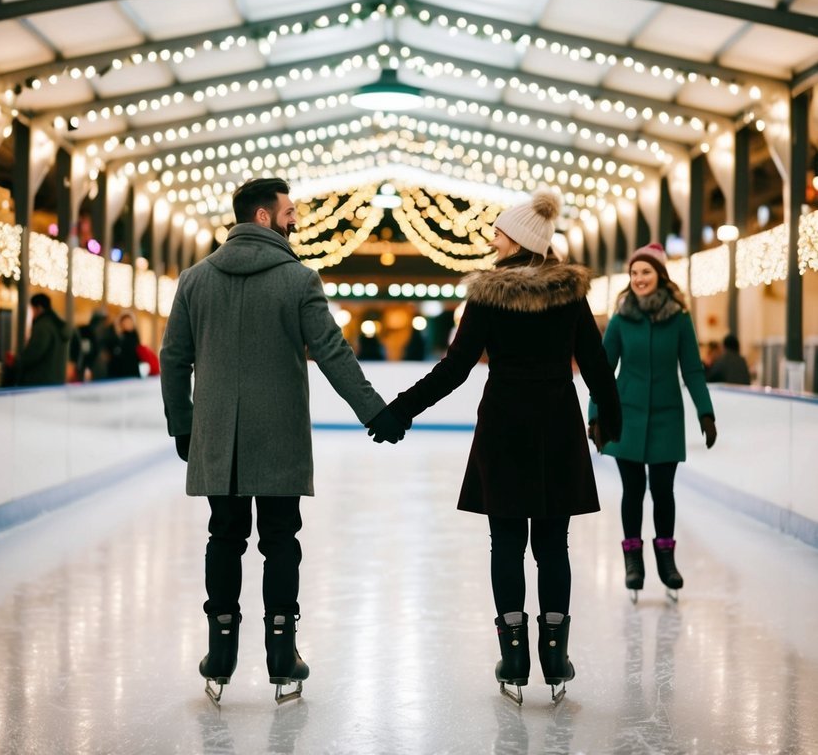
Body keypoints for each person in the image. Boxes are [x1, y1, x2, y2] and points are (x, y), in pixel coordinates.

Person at [369, 190, 621, 704]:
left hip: (505, 425)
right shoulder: (570, 295)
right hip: (556, 425)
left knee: (505, 542)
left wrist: (400, 409)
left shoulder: (487, 295)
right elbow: (595, 365)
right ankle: (553, 653)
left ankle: (514, 655)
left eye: (500, 233)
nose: (492, 239)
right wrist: (610, 416)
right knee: (552, 545)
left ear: (521, 241)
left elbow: (455, 368)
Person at [160, 177, 404, 705]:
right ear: (265, 217)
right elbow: (333, 353)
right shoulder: (299, 280)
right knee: (280, 542)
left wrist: (183, 423)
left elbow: (174, 359)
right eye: (290, 211)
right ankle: (281, 654)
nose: (297, 219)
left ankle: (220, 653)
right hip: (279, 437)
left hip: (218, 436)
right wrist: (376, 412)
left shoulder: (195, 279)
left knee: (224, 537)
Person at [588, 243, 716, 599]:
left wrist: (705, 412)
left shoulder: (679, 318)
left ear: (660, 275)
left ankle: (666, 560)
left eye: (646, 271)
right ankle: (633, 561)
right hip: (625, 416)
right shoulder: (620, 318)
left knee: (662, 491)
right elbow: (602, 371)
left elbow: (691, 368)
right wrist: (595, 415)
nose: (639, 278)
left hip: (666, 417)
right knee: (632, 491)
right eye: (634, 273)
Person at [16, 293, 69, 387]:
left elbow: (33, 353)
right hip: (56, 381)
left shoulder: (43, 326)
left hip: (40, 382)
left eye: (33, 309)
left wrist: (18, 361)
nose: (32, 314)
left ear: (39, 308)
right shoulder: (57, 325)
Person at [108, 311, 142, 379]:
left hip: (133, 373)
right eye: (125, 322)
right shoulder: (118, 338)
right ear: (121, 324)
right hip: (120, 375)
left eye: (129, 322)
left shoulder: (135, 337)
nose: (128, 324)